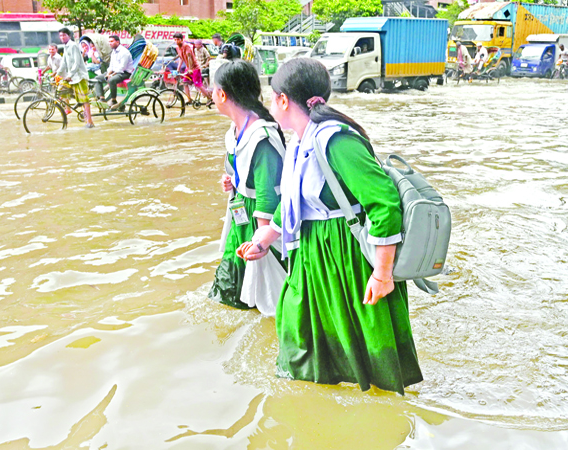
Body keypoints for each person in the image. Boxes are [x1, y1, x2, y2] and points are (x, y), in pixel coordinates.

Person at [237, 58, 423, 393]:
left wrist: (382, 274)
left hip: (345, 256)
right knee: (297, 326)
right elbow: (295, 199)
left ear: (282, 100)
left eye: (272, 96)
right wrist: (265, 237)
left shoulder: (337, 140)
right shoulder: (299, 142)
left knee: (361, 338)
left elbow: (383, 202)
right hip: (313, 254)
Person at [208, 60, 286, 311]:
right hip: (241, 215)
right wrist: (231, 181)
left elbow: (267, 195)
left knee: (267, 293)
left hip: (259, 222)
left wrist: (262, 242)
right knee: (230, 290)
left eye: (213, 89)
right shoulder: (236, 129)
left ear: (222, 94)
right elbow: (239, 167)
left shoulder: (262, 136)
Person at [57, 27, 95, 128]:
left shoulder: (73, 45)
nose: (62, 37)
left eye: (64, 35)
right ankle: (68, 108)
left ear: (68, 36)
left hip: (79, 77)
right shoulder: (65, 46)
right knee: (61, 88)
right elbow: (64, 62)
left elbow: (77, 62)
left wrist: (70, 75)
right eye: (60, 35)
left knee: (84, 99)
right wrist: (57, 74)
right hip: (72, 77)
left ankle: (90, 121)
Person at [93, 35, 133, 107]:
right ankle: (102, 98)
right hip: (114, 72)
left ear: (117, 42)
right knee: (97, 79)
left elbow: (122, 68)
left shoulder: (124, 52)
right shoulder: (113, 52)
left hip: (124, 73)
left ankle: (113, 100)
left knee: (111, 80)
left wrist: (111, 75)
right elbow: (111, 65)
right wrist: (108, 74)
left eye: (111, 41)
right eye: (109, 42)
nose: (110, 43)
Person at [173, 32, 210, 103]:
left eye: (178, 39)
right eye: (175, 40)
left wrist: (190, 68)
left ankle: (209, 97)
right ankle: (189, 99)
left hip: (195, 68)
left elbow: (189, 57)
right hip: (188, 68)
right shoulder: (178, 48)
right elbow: (181, 58)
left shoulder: (186, 46)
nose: (176, 41)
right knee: (185, 83)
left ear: (181, 39)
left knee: (198, 84)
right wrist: (178, 69)